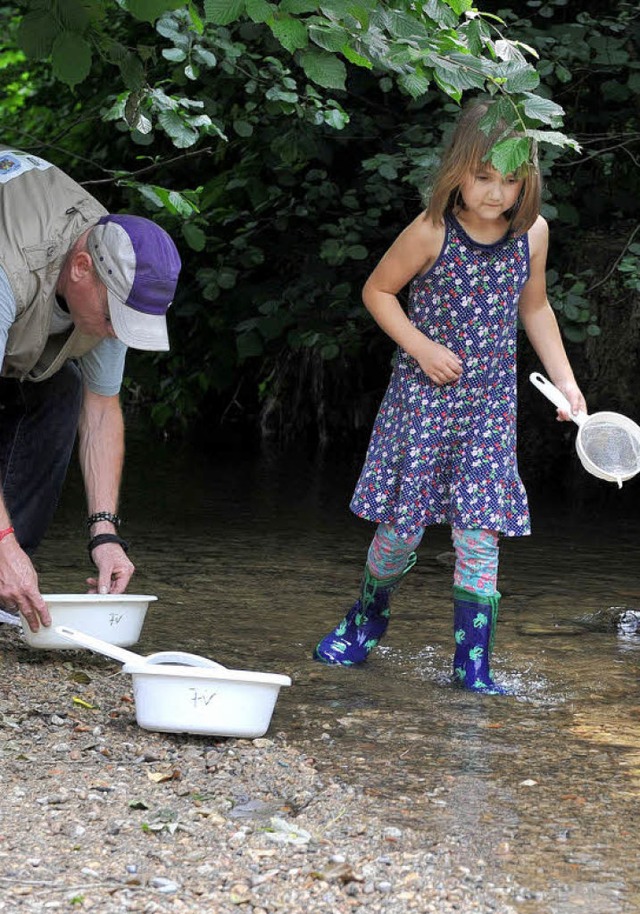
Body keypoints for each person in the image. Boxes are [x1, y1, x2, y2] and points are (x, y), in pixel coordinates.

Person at [312, 98, 587, 694]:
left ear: (528, 181)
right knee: (402, 528)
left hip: (490, 409)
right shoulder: (432, 230)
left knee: (479, 531)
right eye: (482, 177)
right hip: (424, 400)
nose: (495, 193)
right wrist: (421, 347)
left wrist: (565, 383)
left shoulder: (532, 234)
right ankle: (366, 616)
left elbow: (534, 307)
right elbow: (378, 291)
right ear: (456, 171)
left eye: (510, 181)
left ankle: (473, 667)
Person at [0, 147, 181, 633]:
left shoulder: (115, 262)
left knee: (64, 391)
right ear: (81, 268)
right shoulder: (9, 269)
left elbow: (101, 410)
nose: (116, 333)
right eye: (112, 318)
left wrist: (105, 534)